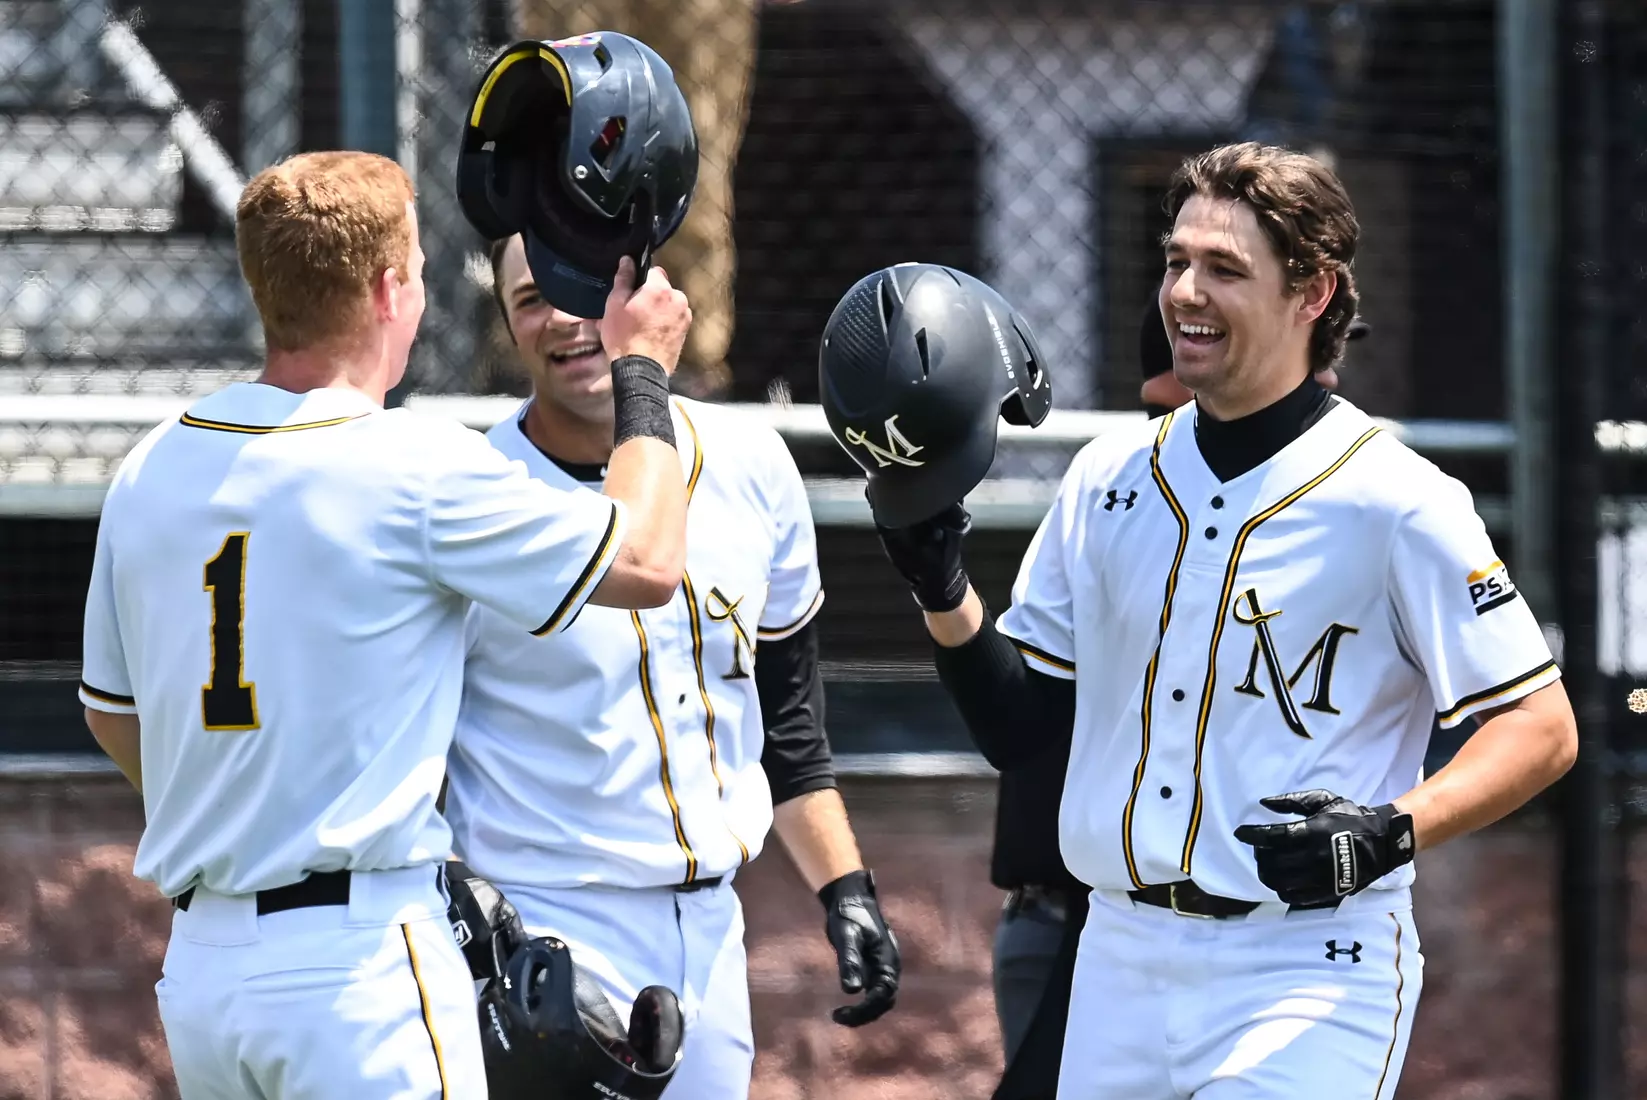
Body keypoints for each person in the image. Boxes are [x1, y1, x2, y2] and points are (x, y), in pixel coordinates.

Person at [870, 141, 1577, 1098]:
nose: (1184, 292)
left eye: (1224, 269)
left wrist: (1388, 830)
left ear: (1313, 294)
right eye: (1175, 261)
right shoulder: (1108, 477)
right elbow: (1023, 733)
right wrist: (942, 587)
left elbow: (1541, 730)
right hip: (1117, 958)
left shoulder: (1397, 498)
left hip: (1302, 967)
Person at [77, 150, 694, 1100]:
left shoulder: (151, 465)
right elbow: (648, 561)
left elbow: (113, 716)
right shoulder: (413, 464)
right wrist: (643, 368)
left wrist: (250, 814)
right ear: (390, 288)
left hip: (204, 972)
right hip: (358, 969)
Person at [440, 232, 902, 1099]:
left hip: (710, 932)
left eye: (583, 288)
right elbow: (407, 753)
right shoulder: (471, 492)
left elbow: (789, 732)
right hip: (546, 925)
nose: (566, 320)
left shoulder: (754, 463)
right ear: (505, 323)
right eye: (531, 298)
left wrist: (845, 888)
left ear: (647, 295)